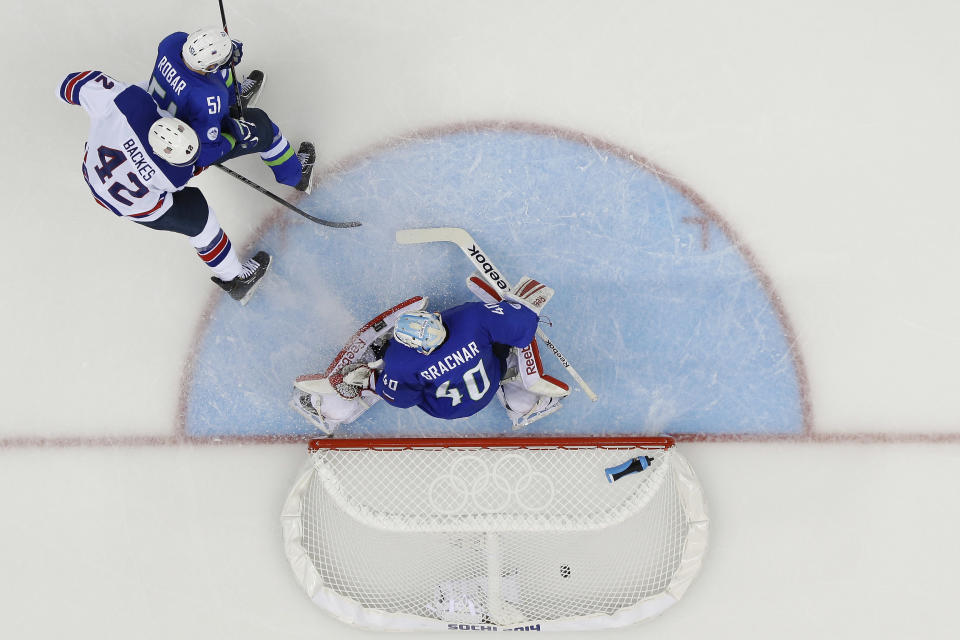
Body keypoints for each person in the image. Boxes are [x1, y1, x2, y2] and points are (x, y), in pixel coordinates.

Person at [59, 69, 270, 303]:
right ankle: (236, 279)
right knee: (201, 221)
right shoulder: (173, 174)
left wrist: (90, 100)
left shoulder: (125, 101)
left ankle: (225, 102)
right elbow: (200, 156)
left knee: (160, 94)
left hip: (95, 172)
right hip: (138, 205)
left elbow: (69, 85)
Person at [292, 277, 571, 433]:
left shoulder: (402, 360)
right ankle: (527, 403)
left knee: (376, 388)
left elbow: (401, 400)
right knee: (499, 348)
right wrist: (514, 308)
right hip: (486, 386)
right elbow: (523, 328)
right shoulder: (471, 319)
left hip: (443, 408)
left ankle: (325, 409)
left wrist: (366, 381)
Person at [146, 27, 314, 192]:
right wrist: (234, 137)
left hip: (161, 121)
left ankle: (236, 96)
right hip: (183, 145)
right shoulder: (209, 97)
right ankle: (297, 178)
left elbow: (208, 58)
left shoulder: (172, 42)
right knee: (265, 129)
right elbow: (206, 154)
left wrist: (225, 52)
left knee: (222, 73)